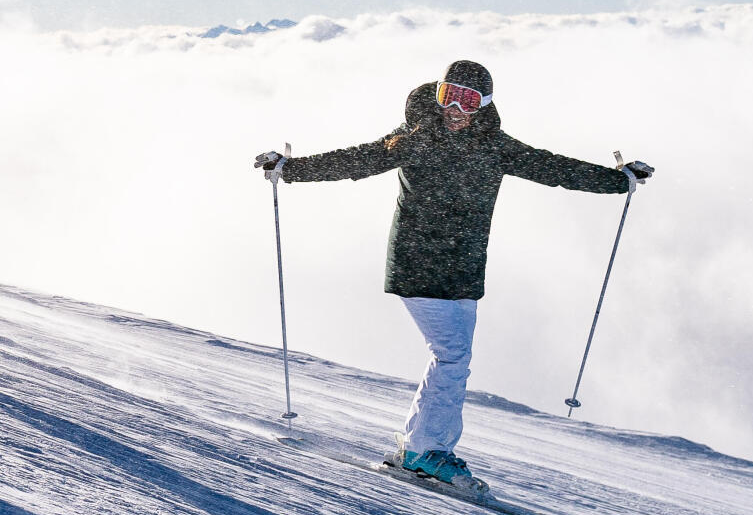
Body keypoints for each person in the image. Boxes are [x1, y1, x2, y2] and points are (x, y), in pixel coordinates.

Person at [255, 59, 652, 491]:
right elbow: (356, 160)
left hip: (463, 270)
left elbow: (552, 168)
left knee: (451, 359)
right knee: (452, 357)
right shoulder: (414, 140)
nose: (455, 109)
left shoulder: (494, 146)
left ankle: (420, 447)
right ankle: (427, 451)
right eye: (449, 96)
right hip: (419, 264)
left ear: (483, 106)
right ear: (437, 95)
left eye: (467, 99)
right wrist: (289, 170)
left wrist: (617, 181)